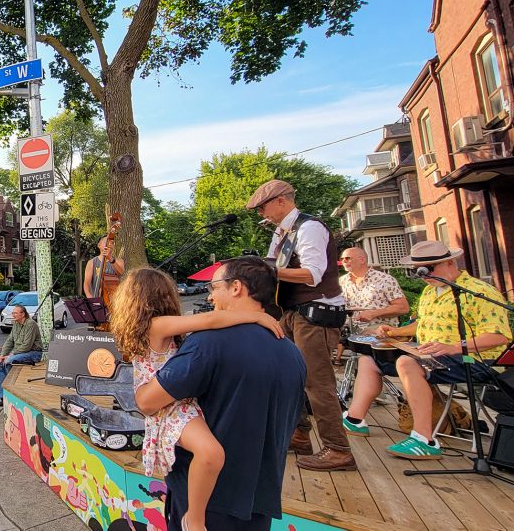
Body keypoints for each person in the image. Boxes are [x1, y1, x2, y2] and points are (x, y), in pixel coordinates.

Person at [136, 257, 306, 531]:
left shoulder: (207, 344)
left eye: (214, 287)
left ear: (236, 287)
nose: (211, 295)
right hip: (260, 499)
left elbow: (147, 401)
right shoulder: (292, 352)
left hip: (207, 502)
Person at [341, 240, 512, 459]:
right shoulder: (431, 292)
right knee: (370, 358)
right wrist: (394, 332)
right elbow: (423, 323)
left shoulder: (478, 291)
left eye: (428, 269)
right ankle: (355, 420)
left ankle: (424, 439)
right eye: (418, 271)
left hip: (474, 359)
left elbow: (499, 336)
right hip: (430, 354)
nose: (424, 275)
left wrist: (453, 347)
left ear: (449, 263)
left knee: (406, 363)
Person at [246, 179, 355, 472]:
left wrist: (268, 269)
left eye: (264, 207)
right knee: (286, 376)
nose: (262, 214)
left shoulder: (310, 228)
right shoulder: (282, 233)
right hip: (292, 311)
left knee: (317, 383)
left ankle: (338, 448)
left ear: (282, 201)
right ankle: (299, 434)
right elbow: (273, 271)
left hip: (316, 313)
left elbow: (313, 274)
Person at [334, 247, 410, 365]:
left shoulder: (384, 279)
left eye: (348, 258)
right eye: (342, 259)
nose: (344, 261)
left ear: (362, 259)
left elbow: (403, 308)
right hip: (350, 328)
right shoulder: (342, 281)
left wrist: (373, 313)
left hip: (379, 330)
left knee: (367, 362)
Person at [0, 304, 42, 407]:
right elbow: (9, 341)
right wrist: (2, 355)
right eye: (13, 313)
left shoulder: (30, 324)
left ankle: (13, 394)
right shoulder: (16, 324)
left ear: (23, 314)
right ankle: (3, 397)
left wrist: (10, 355)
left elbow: (27, 346)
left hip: (33, 353)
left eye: (15, 313)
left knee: (9, 361)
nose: (13, 314)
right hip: (19, 353)